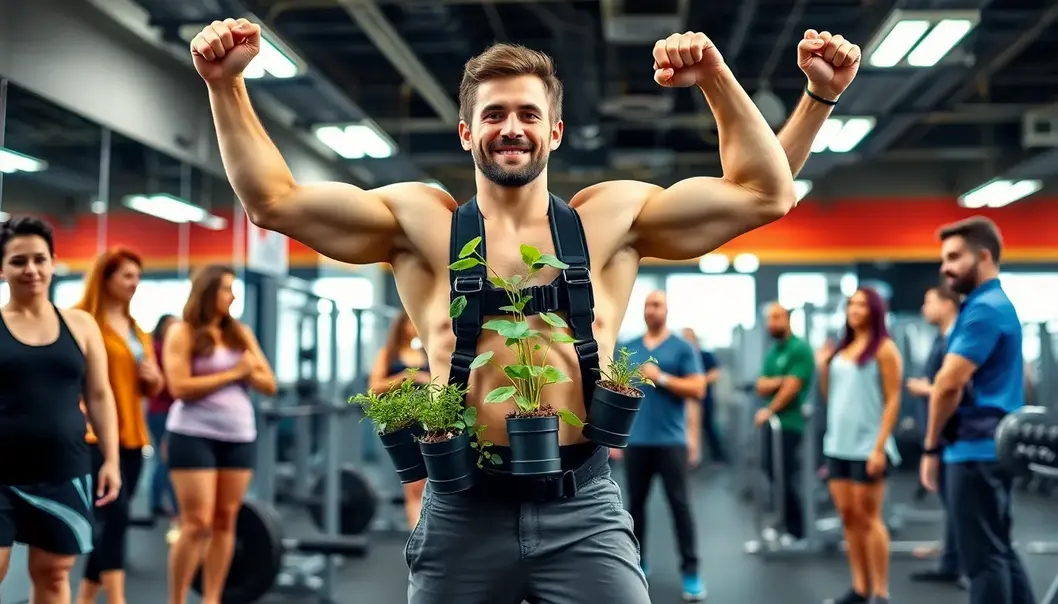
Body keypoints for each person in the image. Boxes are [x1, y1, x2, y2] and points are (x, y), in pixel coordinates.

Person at [191, 16, 862, 601]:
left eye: (528, 114)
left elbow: (762, 192)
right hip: (460, 509)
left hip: (584, 507)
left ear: (556, 131)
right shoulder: (418, 222)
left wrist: (721, 77)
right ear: (465, 131)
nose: (511, 128)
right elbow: (271, 201)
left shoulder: (613, 219)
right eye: (493, 114)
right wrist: (226, 85)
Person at [0, 217, 122, 603]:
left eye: (39, 259)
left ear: (54, 261)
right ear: (2, 268)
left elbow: (100, 394)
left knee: (54, 576)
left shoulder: (81, 324)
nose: (31, 269)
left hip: (63, 469)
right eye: (19, 261)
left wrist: (112, 459)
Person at [921, 216, 1036, 604]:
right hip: (989, 449)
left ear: (983, 256)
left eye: (954, 257)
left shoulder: (984, 309)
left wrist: (931, 447)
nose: (944, 267)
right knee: (998, 550)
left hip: (974, 451)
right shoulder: (988, 304)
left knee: (983, 563)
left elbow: (948, 384)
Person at [162, 265, 276, 604]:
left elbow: (270, 384)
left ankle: (212, 599)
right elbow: (180, 387)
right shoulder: (183, 332)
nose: (233, 296)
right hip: (192, 434)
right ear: (208, 291)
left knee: (226, 520)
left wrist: (248, 372)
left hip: (239, 435)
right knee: (196, 523)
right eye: (227, 289)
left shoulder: (239, 333)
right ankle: (178, 599)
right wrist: (235, 372)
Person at [73, 248, 165, 604]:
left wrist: (153, 377)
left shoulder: (137, 330)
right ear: (106, 279)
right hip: (94, 436)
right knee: (116, 515)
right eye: (127, 275)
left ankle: (84, 597)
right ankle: (117, 599)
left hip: (131, 434)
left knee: (112, 521)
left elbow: (150, 388)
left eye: (137, 276)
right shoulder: (83, 321)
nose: (134, 283)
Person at [618, 291, 706, 599]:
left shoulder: (681, 348)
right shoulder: (628, 349)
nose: (650, 310)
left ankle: (691, 571)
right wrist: (613, 438)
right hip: (637, 441)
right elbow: (614, 392)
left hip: (671, 441)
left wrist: (663, 378)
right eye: (647, 305)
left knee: (680, 507)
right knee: (635, 508)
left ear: (667, 310)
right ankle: (638, 564)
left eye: (656, 305)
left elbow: (699, 389)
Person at [819, 288, 903, 604]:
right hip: (837, 444)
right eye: (851, 304)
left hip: (868, 445)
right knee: (848, 516)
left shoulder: (884, 349)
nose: (854, 310)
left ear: (874, 311)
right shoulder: (841, 351)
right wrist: (824, 365)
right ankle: (859, 588)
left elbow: (894, 398)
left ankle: (880, 592)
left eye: (862, 305)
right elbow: (832, 397)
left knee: (870, 517)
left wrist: (880, 447)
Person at [907, 286, 967, 587]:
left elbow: (956, 389)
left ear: (947, 304)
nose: (923, 308)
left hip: (955, 436)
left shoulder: (959, 341)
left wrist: (924, 389)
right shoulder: (941, 340)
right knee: (951, 503)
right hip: (941, 434)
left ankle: (964, 566)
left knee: (963, 505)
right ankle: (951, 561)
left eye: (928, 302)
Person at [754, 303, 815, 544]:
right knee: (773, 473)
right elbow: (761, 385)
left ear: (788, 319)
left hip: (790, 424)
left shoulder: (799, 349)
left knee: (787, 476)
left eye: (777, 317)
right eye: (770, 318)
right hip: (774, 425)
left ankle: (796, 529)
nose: (773, 323)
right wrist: (782, 380)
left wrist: (769, 408)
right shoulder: (774, 351)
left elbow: (792, 387)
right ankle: (782, 522)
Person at [368, 310, 431, 528]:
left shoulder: (428, 352)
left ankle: (431, 535)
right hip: (401, 424)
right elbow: (374, 387)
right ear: (401, 325)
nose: (413, 327)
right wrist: (406, 377)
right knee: (414, 485)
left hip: (430, 422)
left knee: (433, 483)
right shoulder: (389, 353)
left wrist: (426, 379)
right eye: (409, 323)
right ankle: (418, 537)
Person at [147, 315, 180, 532]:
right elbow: (169, 385)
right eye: (170, 326)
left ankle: (156, 503)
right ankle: (175, 509)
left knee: (163, 459)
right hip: (162, 413)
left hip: (163, 412)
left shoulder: (166, 348)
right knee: (167, 460)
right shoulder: (159, 349)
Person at [681, 327, 726, 467]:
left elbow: (716, 373)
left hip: (704, 399)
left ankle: (718, 456)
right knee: (687, 430)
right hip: (685, 400)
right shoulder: (681, 357)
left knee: (708, 427)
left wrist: (699, 383)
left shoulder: (705, 355)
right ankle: (689, 459)